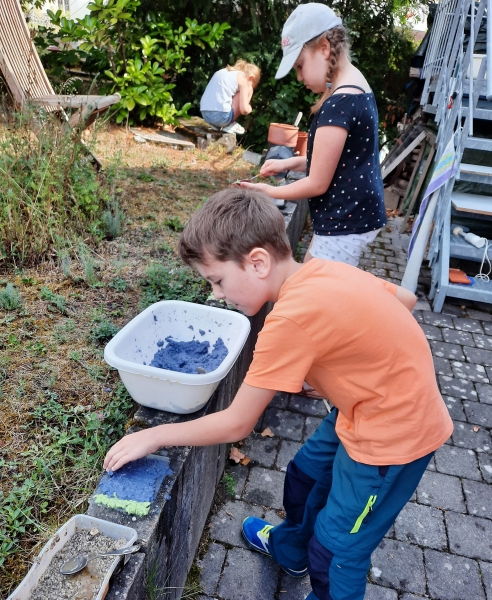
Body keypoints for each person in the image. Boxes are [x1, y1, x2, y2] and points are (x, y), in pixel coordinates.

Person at [104, 188, 453, 600]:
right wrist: (335, 362)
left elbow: (237, 421)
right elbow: (405, 301)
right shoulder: (322, 268)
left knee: (336, 551)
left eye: (217, 281)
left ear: (257, 262)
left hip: (395, 434)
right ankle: (290, 550)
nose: (217, 295)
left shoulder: (288, 320)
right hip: (361, 405)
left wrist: (154, 435)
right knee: (304, 475)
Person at [242, 3, 386, 268]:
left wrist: (270, 192)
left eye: (299, 66)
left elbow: (317, 182)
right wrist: (288, 163)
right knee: (313, 277)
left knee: (315, 288)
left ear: (324, 48)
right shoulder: (355, 85)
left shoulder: (340, 102)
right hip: (350, 217)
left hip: (346, 221)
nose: (298, 77)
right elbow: (333, 161)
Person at [200, 59, 261, 135]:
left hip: (205, 114)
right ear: (251, 78)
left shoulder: (224, 71)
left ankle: (217, 125)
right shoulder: (243, 80)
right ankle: (229, 124)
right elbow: (244, 110)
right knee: (248, 90)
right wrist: (249, 108)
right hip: (221, 117)